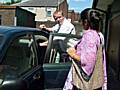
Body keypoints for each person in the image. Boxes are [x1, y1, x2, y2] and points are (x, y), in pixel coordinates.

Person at [63, 8, 107, 90]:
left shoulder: (89, 35)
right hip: (96, 82)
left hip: (85, 84)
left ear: (86, 22)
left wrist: (72, 54)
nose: (81, 23)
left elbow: (88, 61)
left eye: (81, 21)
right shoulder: (99, 34)